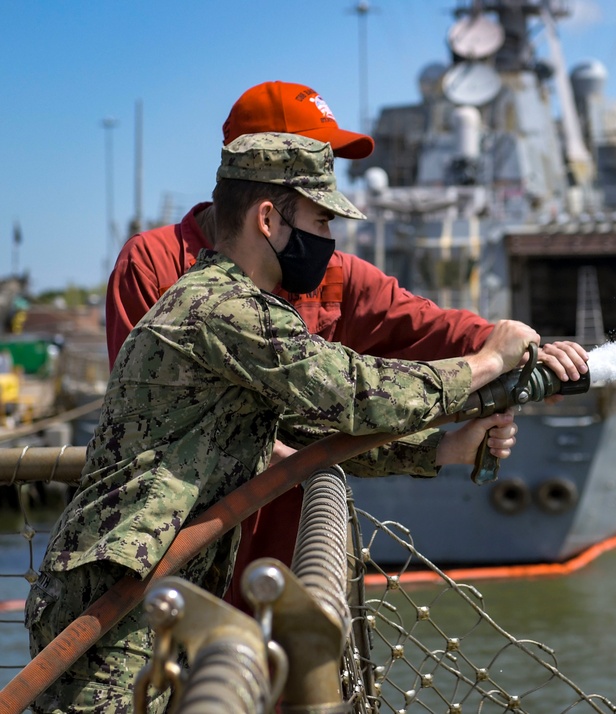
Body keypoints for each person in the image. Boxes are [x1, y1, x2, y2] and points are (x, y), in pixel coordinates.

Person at [27, 132, 545, 713]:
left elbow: (309, 431)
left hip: (151, 590)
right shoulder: (222, 309)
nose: (330, 241)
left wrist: (445, 447)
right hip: (113, 600)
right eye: (321, 222)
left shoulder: (236, 308)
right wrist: (487, 361)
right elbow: (353, 390)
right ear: (269, 220)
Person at [103, 80, 589, 613]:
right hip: (164, 568)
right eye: (317, 162)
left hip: (280, 560)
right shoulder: (171, 273)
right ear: (264, 177)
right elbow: (350, 395)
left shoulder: (326, 272)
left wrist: (521, 352)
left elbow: (420, 324)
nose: (329, 175)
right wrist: (488, 362)